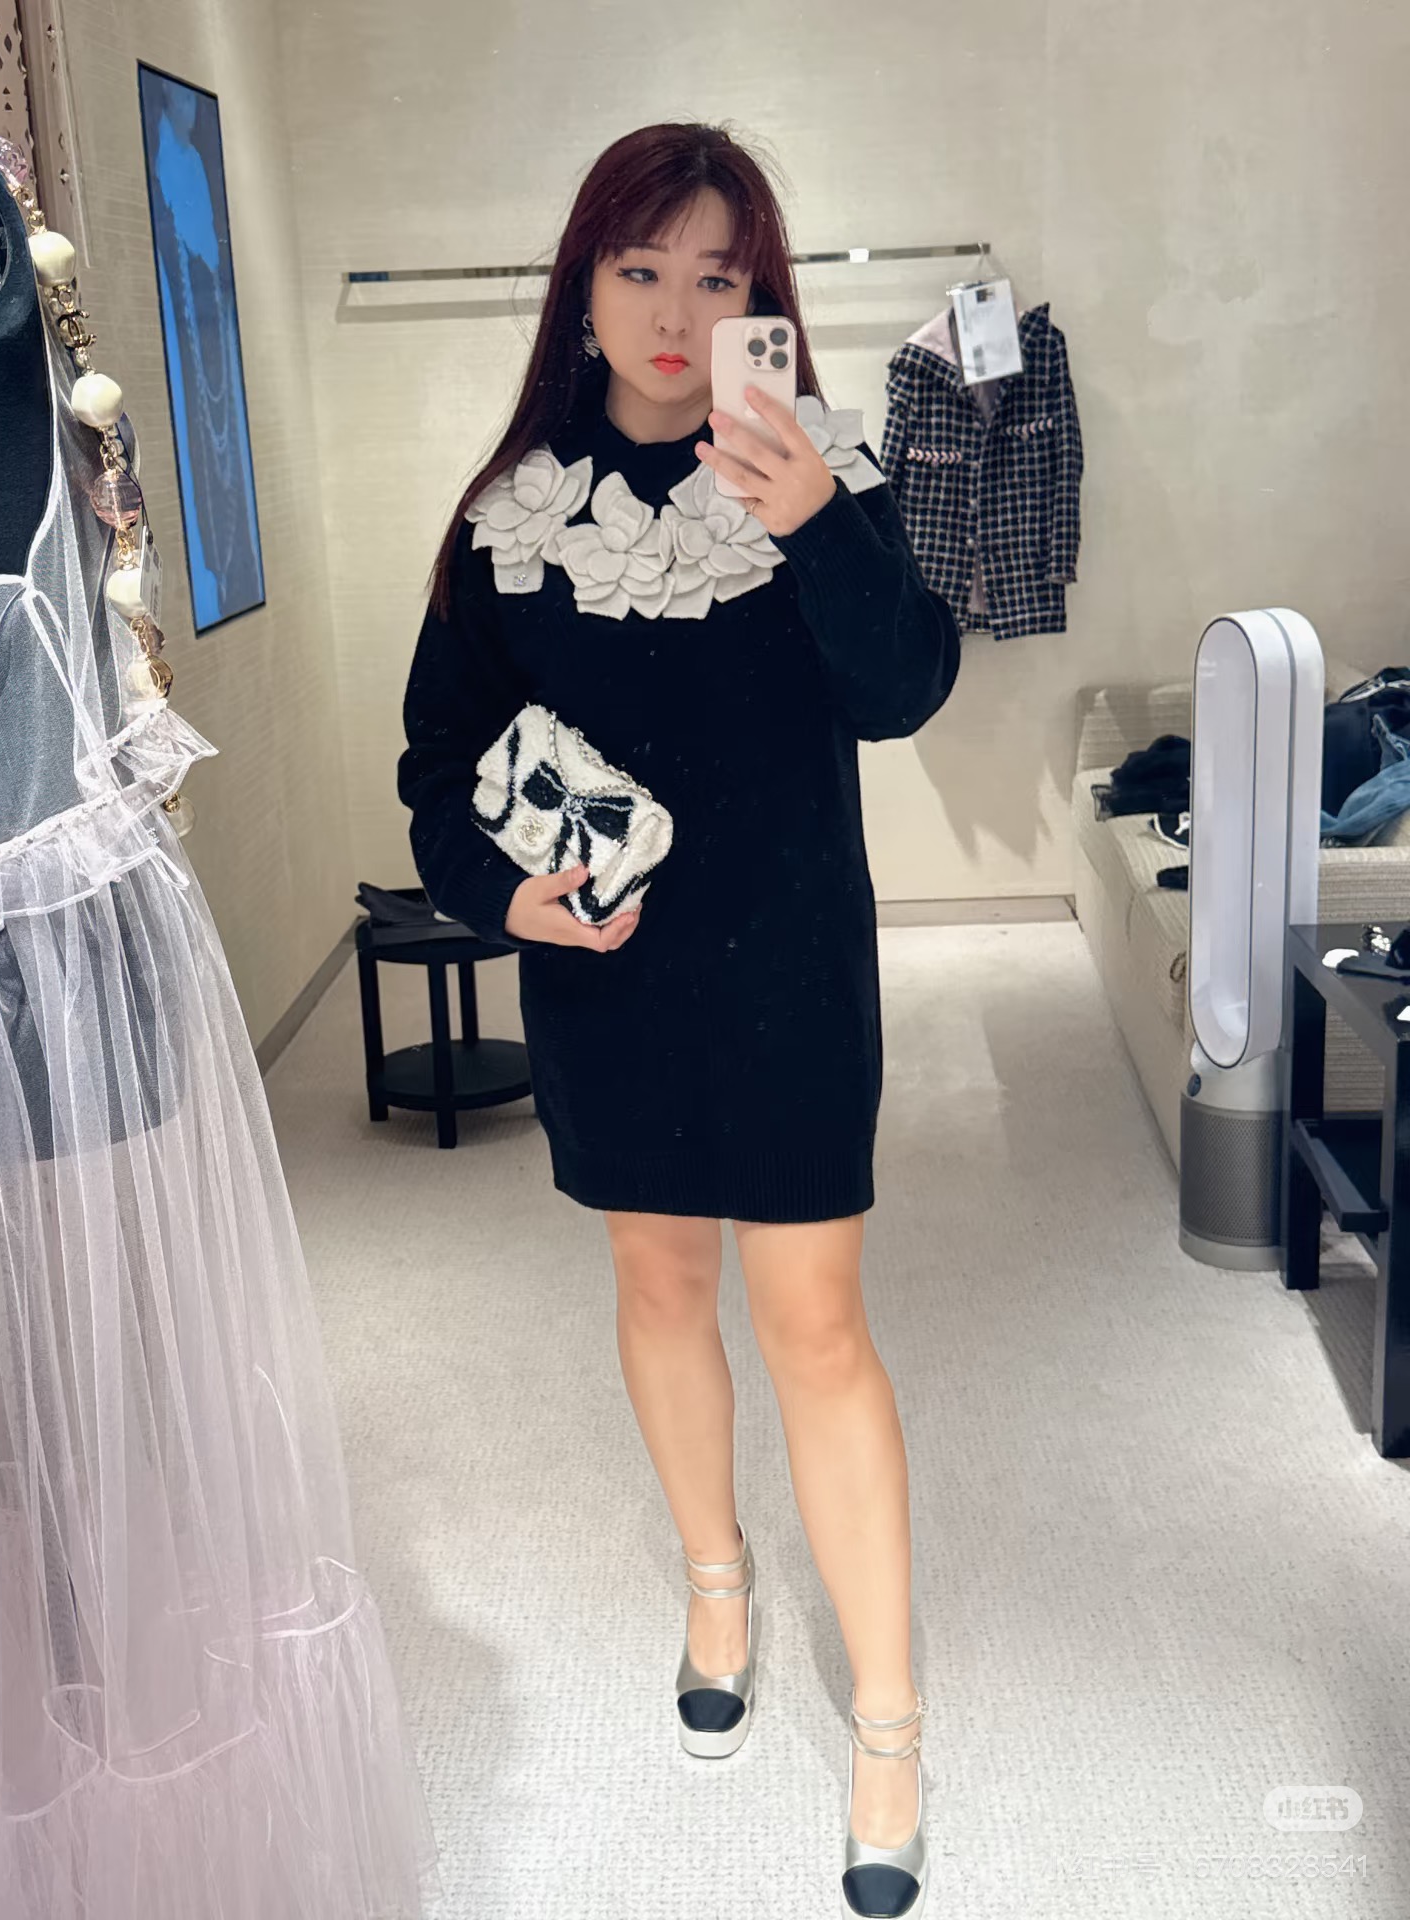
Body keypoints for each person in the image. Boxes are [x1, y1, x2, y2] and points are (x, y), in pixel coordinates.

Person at [398, 121, 959, 1918]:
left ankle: (888, 1724)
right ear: (582, 288)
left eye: (716, 278)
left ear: (761, 302)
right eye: (639, 269)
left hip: (791, 969)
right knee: (656, 1283)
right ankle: (717, 1581)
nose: (672, 312)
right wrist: (504, 897)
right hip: (610, 977)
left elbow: (904, 689)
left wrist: (813, 523)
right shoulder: (510, 517)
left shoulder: (818, 472)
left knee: (818, 1327)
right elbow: (438, 767)